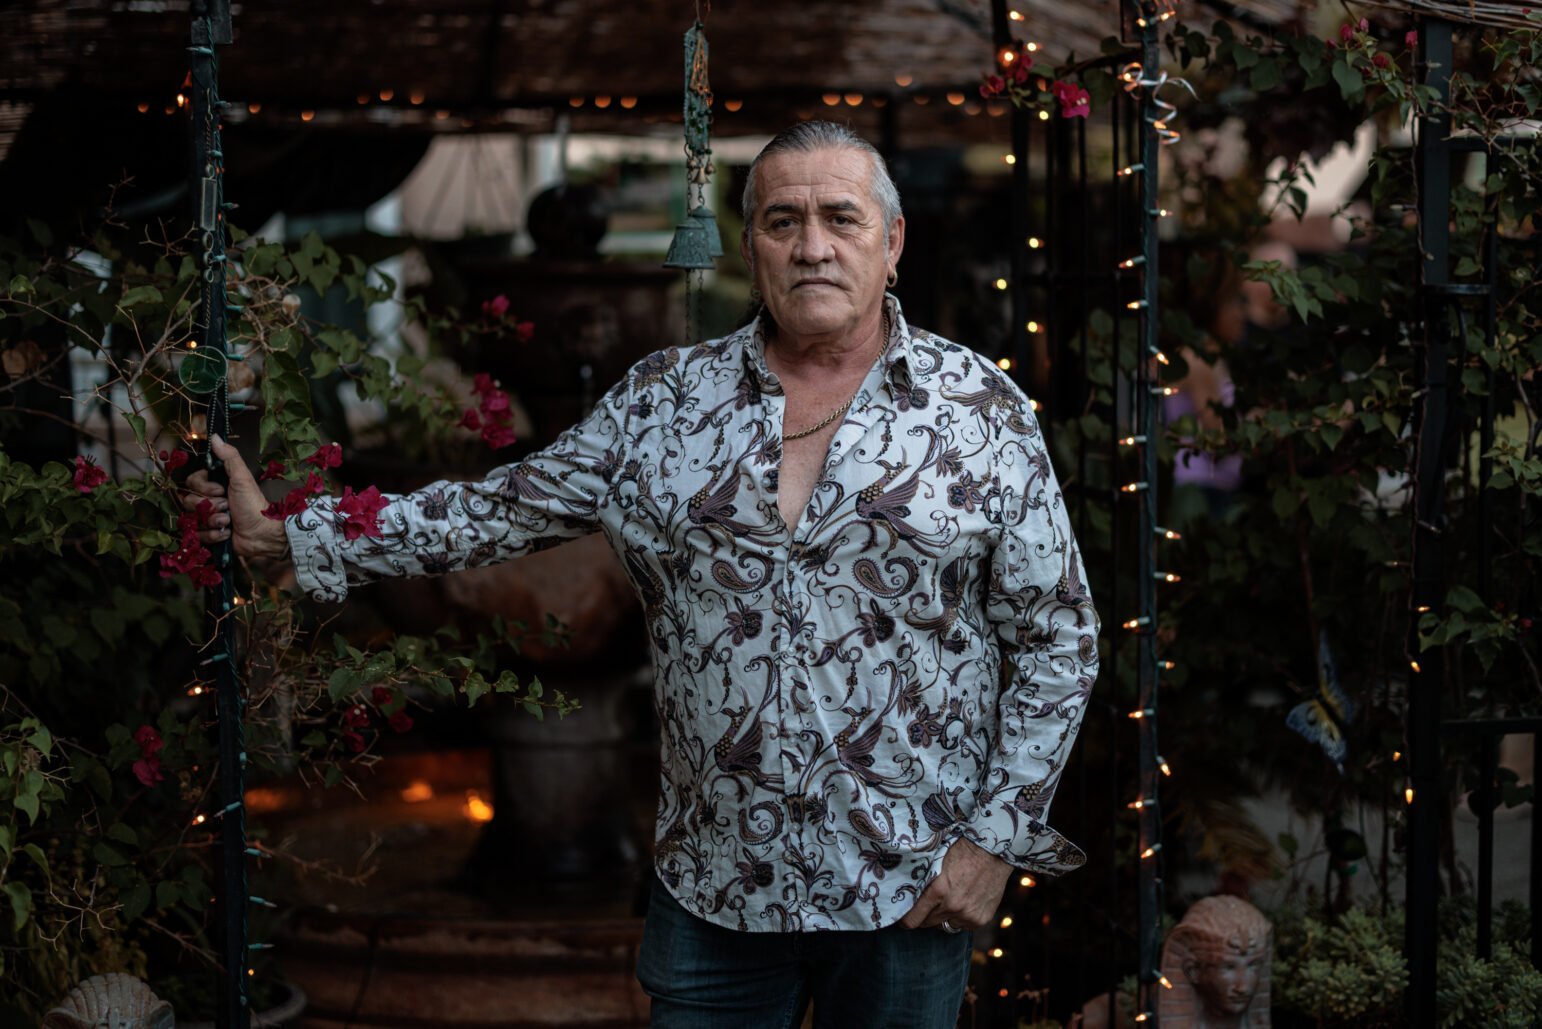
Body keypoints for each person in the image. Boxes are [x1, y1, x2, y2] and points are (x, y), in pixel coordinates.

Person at [189, 121, 1098, 1029]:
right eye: (782, 221)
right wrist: (292, 538)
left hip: (908, 885)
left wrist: (992, 841)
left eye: (841, 219)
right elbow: (496, 509)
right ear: (748, 249)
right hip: (715, 886)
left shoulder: (979, 410)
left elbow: (1060, 636)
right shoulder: (664, 401)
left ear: (892, 242)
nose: (812, 246)